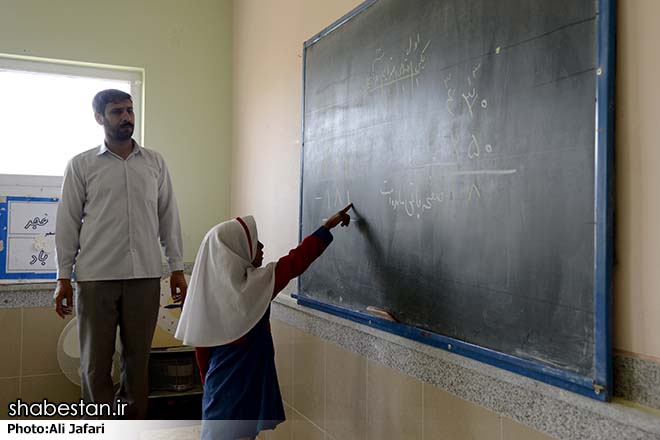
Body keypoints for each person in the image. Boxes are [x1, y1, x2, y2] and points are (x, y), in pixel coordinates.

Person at [53, 89, 187, 419]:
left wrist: (177, 268)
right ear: (100, 118)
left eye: (129, 110)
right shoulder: (81, 165)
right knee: (96, 365)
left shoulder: (155, 162)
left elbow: (168, 216)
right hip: (96, 278)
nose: (126, 117)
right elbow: (67, 223)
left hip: (144, 276)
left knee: (138, 363)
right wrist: (62, 277)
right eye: (116, 112)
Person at [175, 204, 353, 440]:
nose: (261, 247)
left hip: (220, 383)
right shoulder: (256, 285)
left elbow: (202, 350)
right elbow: (295, 261)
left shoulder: (208, 293)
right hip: (240, 382)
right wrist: (325, 227)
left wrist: (208, 384)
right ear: (236, 250)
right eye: (255, 243)